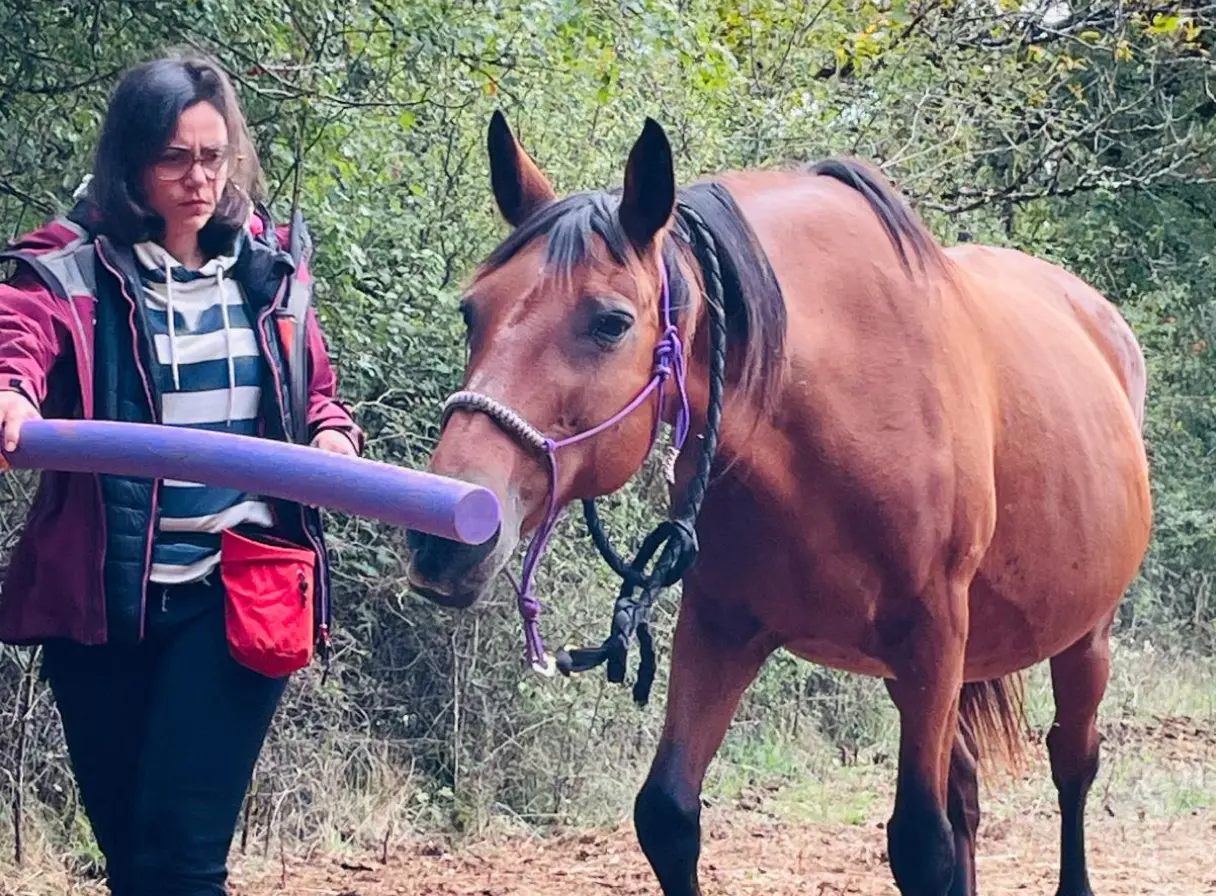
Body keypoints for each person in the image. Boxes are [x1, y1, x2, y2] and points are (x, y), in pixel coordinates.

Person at [0, 50, 364, 895]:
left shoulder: (269, 272)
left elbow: (318, 396)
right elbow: (19, 339)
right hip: (104, 604)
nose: (200, 178)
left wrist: (332, 439)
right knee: (132, 860)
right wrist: (11, 395)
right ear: (132, 160)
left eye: (214, 156)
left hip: (233, 597)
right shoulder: (70, 267)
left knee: (181, 858)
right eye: (176, 158)